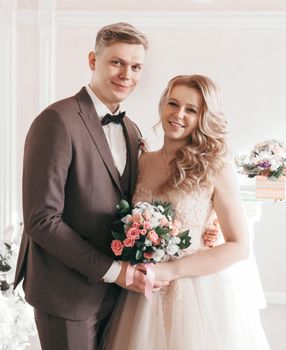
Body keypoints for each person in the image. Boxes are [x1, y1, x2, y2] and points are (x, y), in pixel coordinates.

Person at [100, 75, 270, 350]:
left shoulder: (215, 168)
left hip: (195, 294)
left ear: (204, 117)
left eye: (191, 110)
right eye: (173, 104)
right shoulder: (142, 161)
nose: (178, 114)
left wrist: (172, 270)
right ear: (162, 106)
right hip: (141, 291)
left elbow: (239, 246)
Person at [13, 22, 156, 350]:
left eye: (135, 67)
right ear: (93, 60)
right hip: (65, 294)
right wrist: (113, 271)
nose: (126, 75)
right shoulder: (56, 120)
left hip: (119, 296)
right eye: (116, 62)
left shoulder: (132, 130)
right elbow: (41, 220)